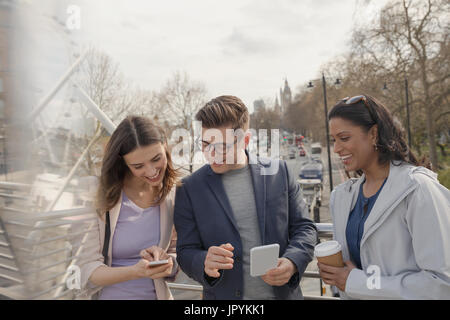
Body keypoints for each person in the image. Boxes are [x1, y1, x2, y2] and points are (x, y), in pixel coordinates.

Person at [174, 95, 317, 300]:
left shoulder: (280, 173)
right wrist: (204, 261)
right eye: (205, 144)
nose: (211, 153)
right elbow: (185, 251)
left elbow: (305, 228)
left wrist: (293, 262)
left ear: (246, 140)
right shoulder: (189, 188)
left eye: (222, 146)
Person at [318, 94, 450, 299]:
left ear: (373, 134)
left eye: (344, 138)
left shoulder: (418, 190)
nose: (336, 148)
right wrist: (336, 275)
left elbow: (441, 285)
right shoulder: (341, 198)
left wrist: (355, 282)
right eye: (333, 140)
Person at [79, 116, 179, 300]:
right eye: (138, 166)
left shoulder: (171, 193)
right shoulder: (97, 193)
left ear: (165, 147)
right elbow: (88, 269)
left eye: (156, 159)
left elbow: (174, 251)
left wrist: (167, 262)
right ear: (123, 163)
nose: (151, 171)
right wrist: (136, 272)